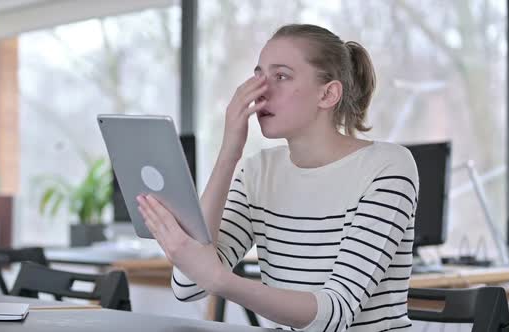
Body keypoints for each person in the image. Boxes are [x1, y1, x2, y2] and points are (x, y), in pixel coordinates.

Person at [136, 23, 418, 331]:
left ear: (328, 94)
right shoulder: (258, 171)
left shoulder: (387, 167)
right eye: (259, 76)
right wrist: (229, 154)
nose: (262, 91)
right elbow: (189, 285)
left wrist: (218, 278)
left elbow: (334, 315)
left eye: (281, 76)